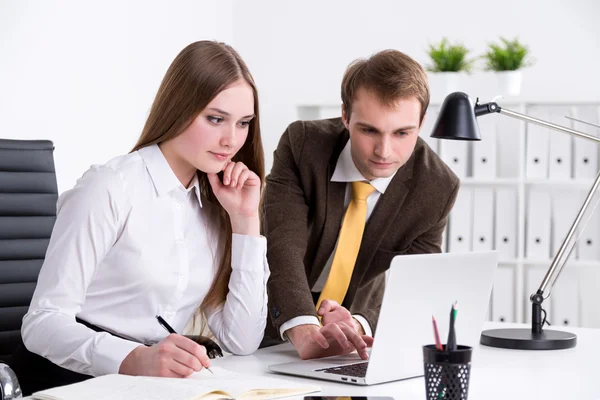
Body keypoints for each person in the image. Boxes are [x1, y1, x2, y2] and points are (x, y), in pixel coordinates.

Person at [14, 40, 269, 394]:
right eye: (215, 119)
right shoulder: (109, 188)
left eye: (243, 123)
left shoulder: (216, 205)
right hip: (73, 380)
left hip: (154, 384)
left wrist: (245, 223)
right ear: (179, 108)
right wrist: (134, 358)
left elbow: (242, 341)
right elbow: (41, 323)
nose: (231, 140)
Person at [261, 49, 459, 360]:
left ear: (421, 123)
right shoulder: (303, 146)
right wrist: (305, 330)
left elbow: (413, 285)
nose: (384, 150)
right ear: (345, 116)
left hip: (352, 339)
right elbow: (282, 246)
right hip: (270, 322)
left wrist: (356, 324)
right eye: (369, 130)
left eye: (402, 133)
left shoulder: (436, 187)